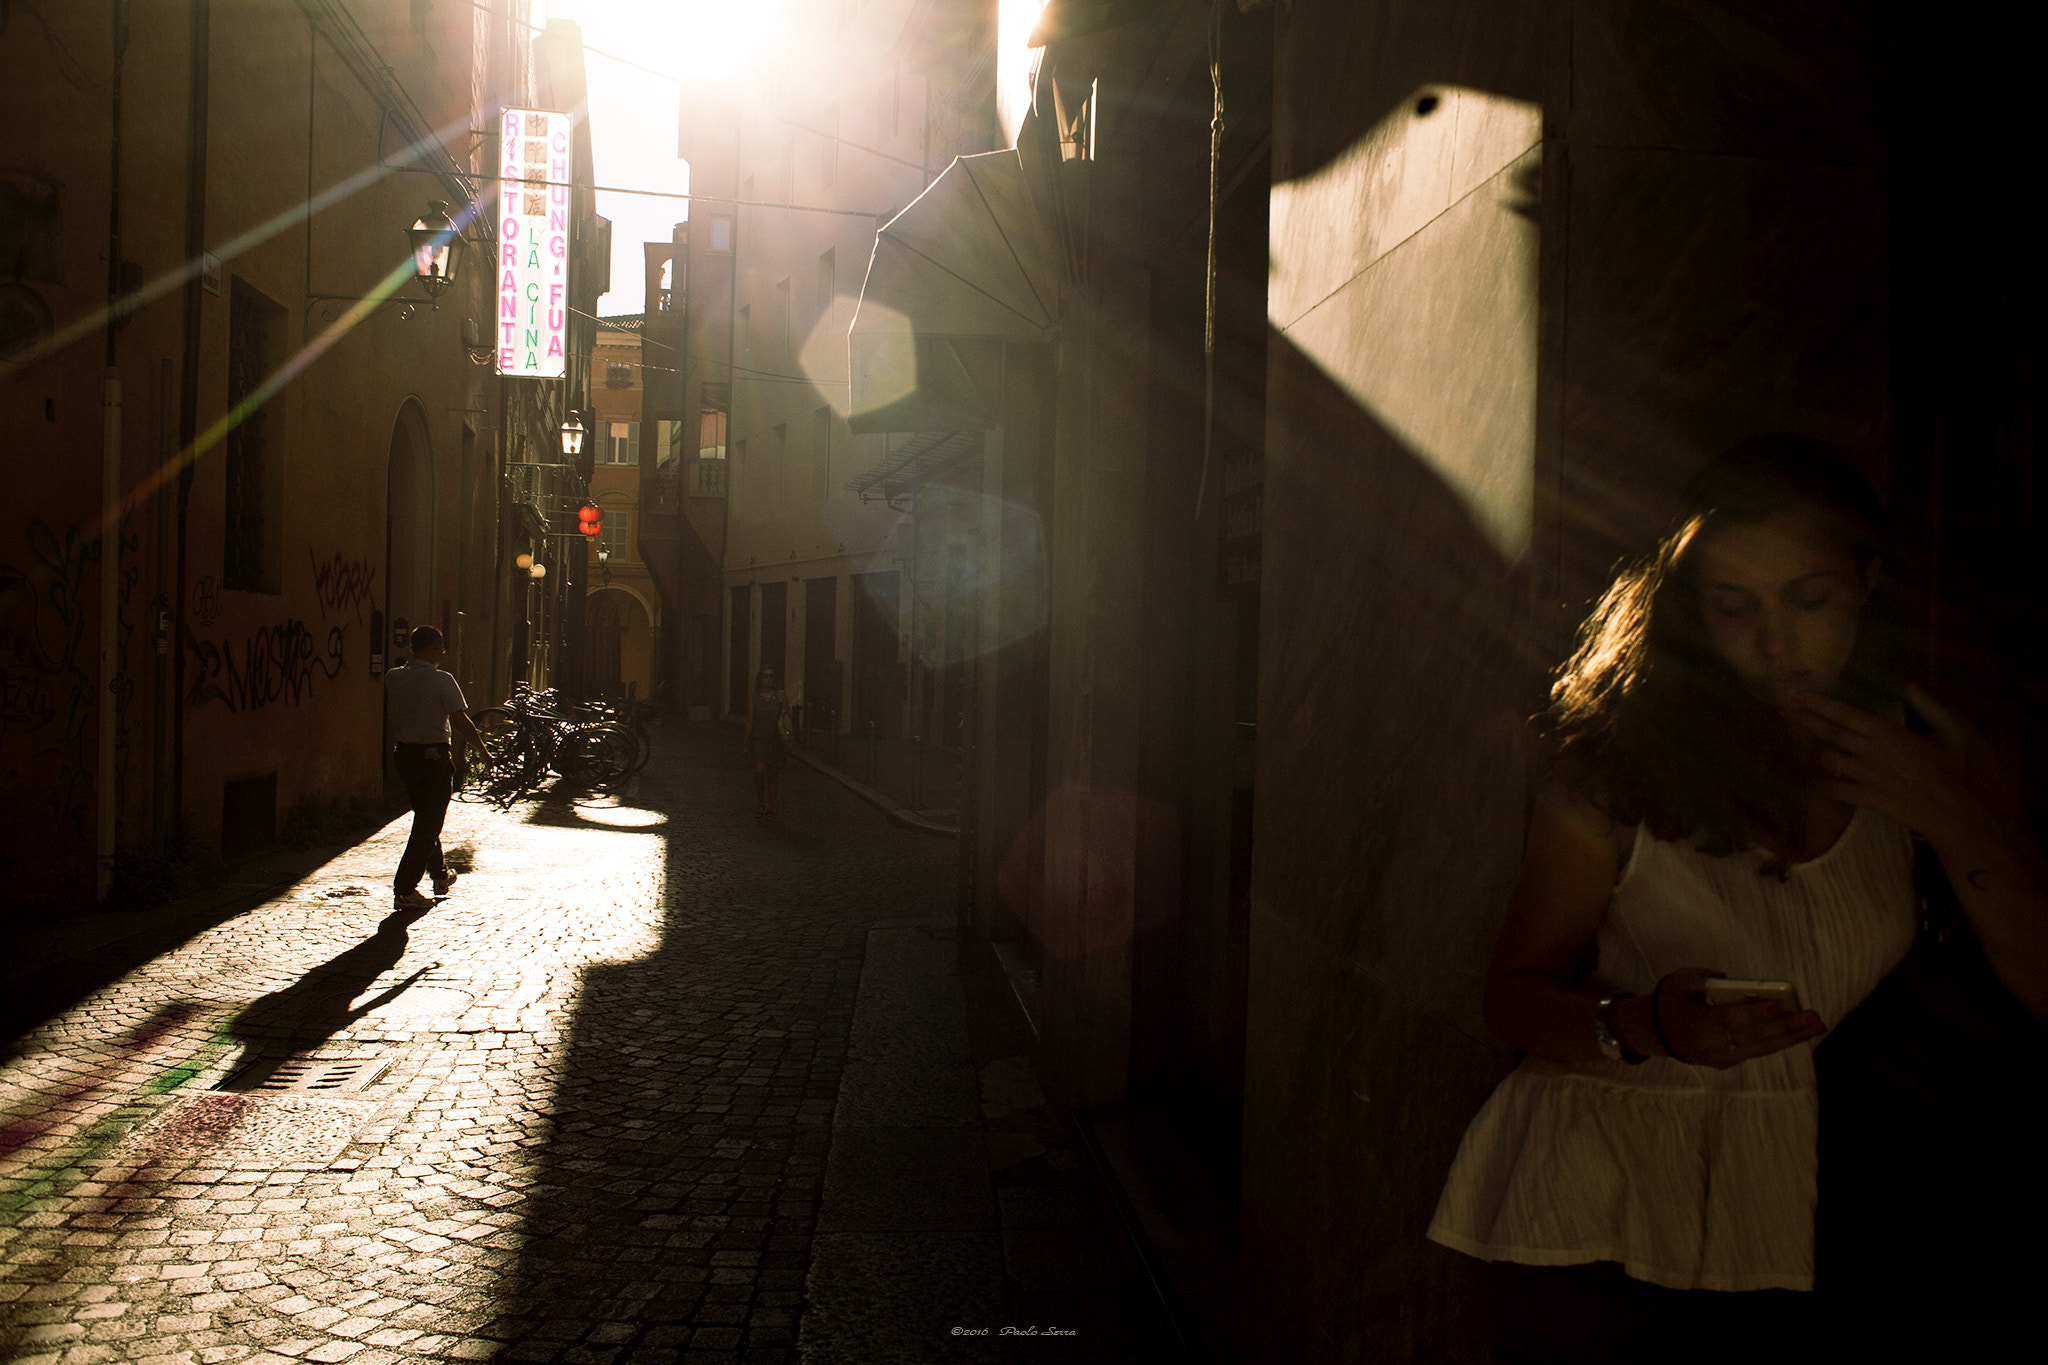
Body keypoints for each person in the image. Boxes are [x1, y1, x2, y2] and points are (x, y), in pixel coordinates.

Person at [1425, 436, 2048, 1364]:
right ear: (1691, 609)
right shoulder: (1620, 757)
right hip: (1603, 1215)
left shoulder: (1930, 747)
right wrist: (1644, 1023)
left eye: (1809, 599)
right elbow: (1511, 993)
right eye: (1733, 606)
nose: (1775, 643)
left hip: (1816, 1224)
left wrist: (1953, 817)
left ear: (1866, 584)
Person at [383, 625, 490, 908]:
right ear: (431, 649)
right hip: (433, 759)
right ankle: (404, 889)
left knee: (426, 818)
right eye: (441, 647)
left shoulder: (393, 677)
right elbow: (461, 722)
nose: (443, 652)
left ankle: (440, 875)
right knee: (427, 825)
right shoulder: (442, 680)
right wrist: (482, 752)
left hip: (405, 757)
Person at [743, 666, 788, 821]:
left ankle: (770, 807)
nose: (768, 679)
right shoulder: (754, 696)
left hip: (775, 740)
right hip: (759, 739)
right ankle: (761, 802)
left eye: (771, 676)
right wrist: (745, 740)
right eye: (765, 676)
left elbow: (786, 718)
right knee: (760, 771)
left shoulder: (780, 697)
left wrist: (790, 737)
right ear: (760, 678)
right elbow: (750, 719)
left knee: (773, 776)